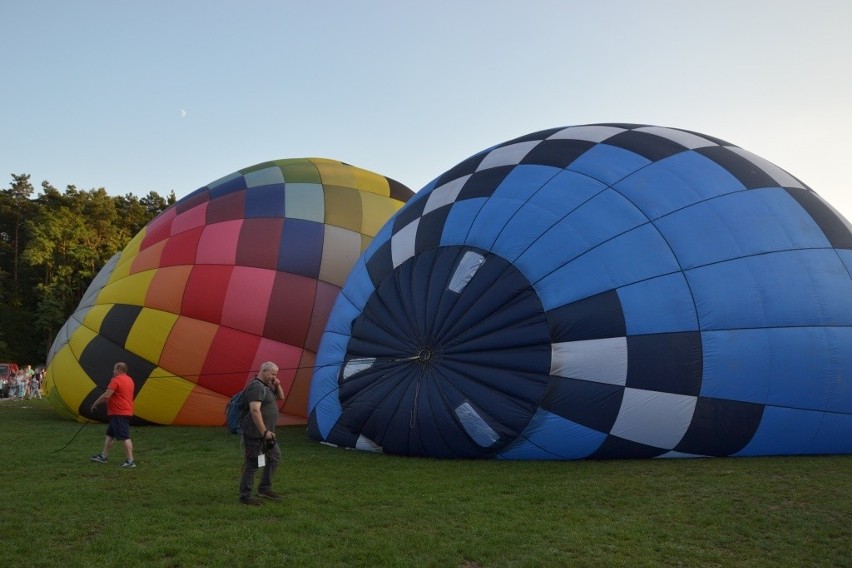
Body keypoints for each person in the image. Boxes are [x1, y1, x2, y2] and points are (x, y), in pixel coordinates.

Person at [238, 361, 284, 505]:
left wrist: (277, 384)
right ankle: (245, 496)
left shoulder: (266, 386)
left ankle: (264, 488)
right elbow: (255, 410)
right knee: (253, 464)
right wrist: (264, 431)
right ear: (263, 371)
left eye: (276, 374)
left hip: (266, 436)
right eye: (272, 373)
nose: (274, 377)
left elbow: (281, 397)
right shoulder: (256, 387)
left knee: (274, 457)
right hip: (256, 435)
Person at [89, 362, 136, 468]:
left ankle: (130, 461)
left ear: (119, 370)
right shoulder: (129, 380)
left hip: (119, 412)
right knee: (110, 435)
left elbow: (106, 395)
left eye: (114, 369)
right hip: (124, 411)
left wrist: (95, 404)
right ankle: (104, 456)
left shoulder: (116, 380)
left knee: (125, 437)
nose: (113, 371)